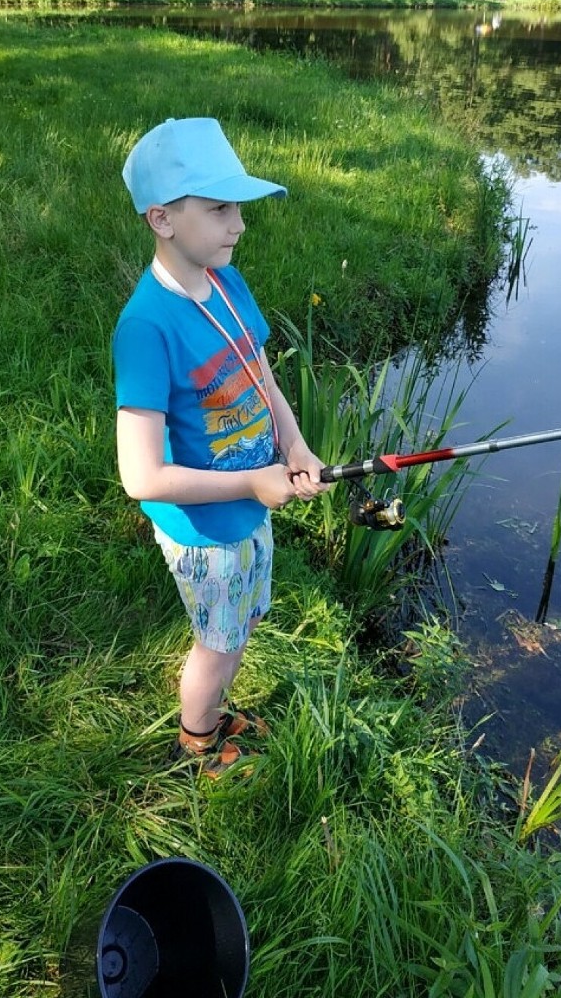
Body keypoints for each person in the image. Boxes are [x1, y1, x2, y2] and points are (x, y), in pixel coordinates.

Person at [114, 117, 329, 778]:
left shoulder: (228, 281)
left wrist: (293, 445)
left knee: (239, 625)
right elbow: (140, 477)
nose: (239, 224)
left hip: (250, 504)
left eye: (238, 207)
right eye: (219, 208)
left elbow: (261, 375)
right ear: (162, 219)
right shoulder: (146, 325)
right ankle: (197, 740)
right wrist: (250, 483)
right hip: (207, 529)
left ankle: (213, 707)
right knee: (216, 645)